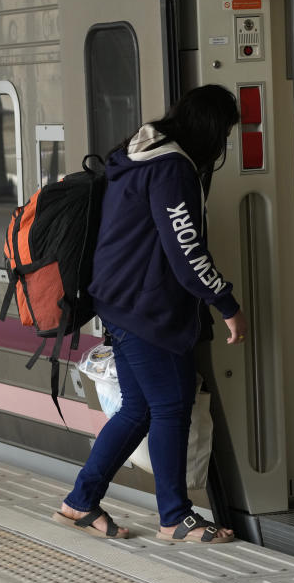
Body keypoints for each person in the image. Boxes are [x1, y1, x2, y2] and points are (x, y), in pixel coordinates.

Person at [53, 85, 246, 543]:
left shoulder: (141, 153)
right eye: (225, 135)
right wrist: (226, 304)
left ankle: (79, 503)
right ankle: (175, 517)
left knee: (139, 408)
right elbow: (186, 250)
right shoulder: (170, 168)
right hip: (145, 307)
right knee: (171, 406)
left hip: (121, 300)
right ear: (211, 130)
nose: (224, 147)